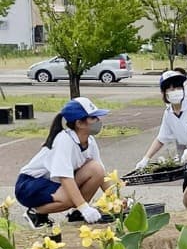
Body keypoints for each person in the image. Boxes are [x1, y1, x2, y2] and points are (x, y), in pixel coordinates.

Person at [16, 97, 114, 227]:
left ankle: (77, 214)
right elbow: (65, 177)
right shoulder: (65, 140)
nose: (98, 121)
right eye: (93, 118)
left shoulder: (89, 141)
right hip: (30, 185)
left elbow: (102, 174)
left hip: (53, 184)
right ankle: (35, 213)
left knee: (96, 170)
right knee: (71, 199)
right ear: (79, 123)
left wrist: (116, 200)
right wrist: (84, 207)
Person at [134, 70, 187, 208]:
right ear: (164, 93)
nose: (176, 91)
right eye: (171, 88)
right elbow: (162, 138)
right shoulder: (168, 113)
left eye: (179, 87)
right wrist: (146, 158)